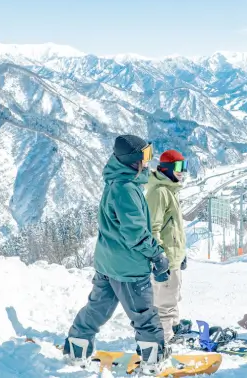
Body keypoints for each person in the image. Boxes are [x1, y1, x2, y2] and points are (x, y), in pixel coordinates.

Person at [63, 135, 170, 372]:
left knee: (96, 309)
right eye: (146, 155)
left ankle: (76, 350)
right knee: (144, 316)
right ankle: (153, 362)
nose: (148, 160)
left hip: (107, 263)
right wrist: (157, 256)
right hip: (129, 269)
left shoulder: (115, 182)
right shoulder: (126, 190)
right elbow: (136, 234)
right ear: (134, 160)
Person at [146, 149, 188, 344]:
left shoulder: (170, 190)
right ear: (168, 167)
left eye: (184, 166)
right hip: (165, 258)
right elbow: (153, 228)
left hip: (173, 256)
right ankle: (164, 339)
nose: (183, 171)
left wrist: (181, 254)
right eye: (179, 167)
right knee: (165, 302)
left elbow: (172, 227)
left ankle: (175, 327)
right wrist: (159, 257)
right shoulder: (160, 192)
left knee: (173, 295)